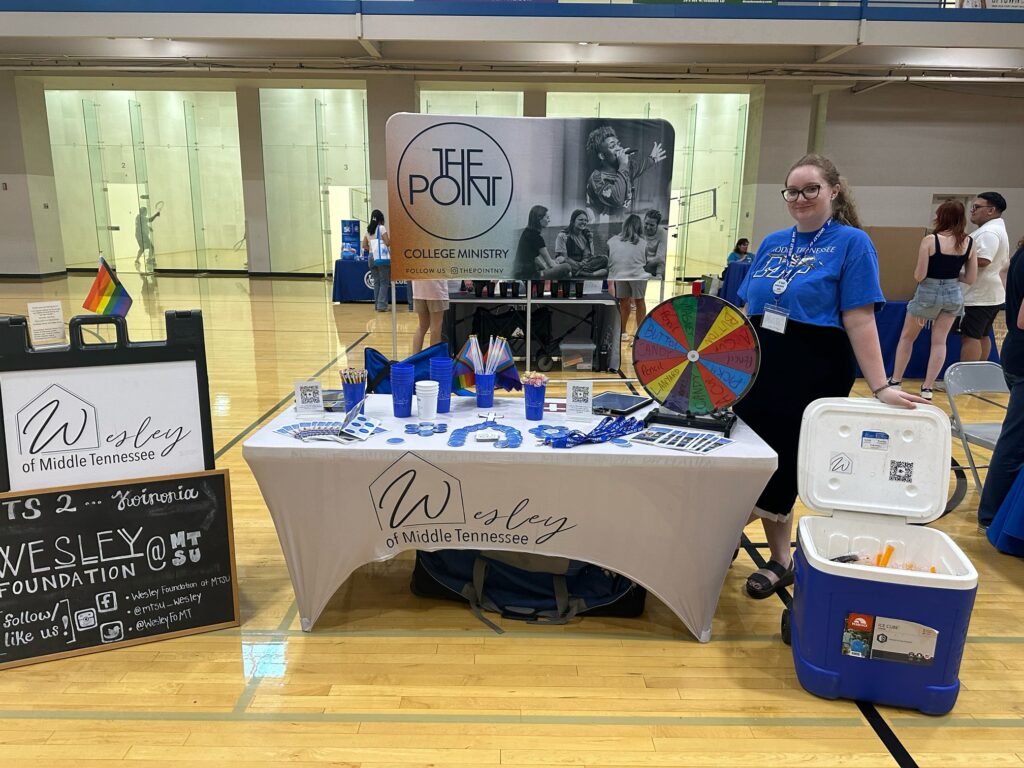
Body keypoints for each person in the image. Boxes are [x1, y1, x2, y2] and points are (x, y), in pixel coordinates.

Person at [734, 153, 925, 599]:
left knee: (782, 466)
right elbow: (747, 310)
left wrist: (882, 386)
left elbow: (859, 319)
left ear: (834, 191)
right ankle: (743, 542)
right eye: (792, 191)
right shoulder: (773, 242)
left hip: (812, 367)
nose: (799, 198)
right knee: (748, 457)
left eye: (810, 189)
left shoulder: (852, 243)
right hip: (759, 365)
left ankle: (778, 558)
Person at [889, 201, 978, 400]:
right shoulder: (969, 242)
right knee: (939, 342)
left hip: (928, 293)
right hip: (953, 293)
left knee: (907, 337)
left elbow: (920, 275)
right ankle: (928, 388)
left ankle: (895, 381)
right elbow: (971, 278)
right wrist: (953, 278)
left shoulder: (931, 240)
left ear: (940, 216)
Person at [978, 235, 1024, 531]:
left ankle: (999, 513)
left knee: (1015, 440)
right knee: (1015, 442)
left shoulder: (1020, 252)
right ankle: (993, 516)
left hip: (1015, 350)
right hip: (1021, 354)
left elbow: (1004, 271)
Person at [960, 192, 1010, 362]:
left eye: (976, 207)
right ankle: (976, 376)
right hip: (989, 294)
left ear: (991, 210)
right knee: (981, 335)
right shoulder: (992, 229)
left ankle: (966, 380)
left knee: (971, 337)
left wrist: (953, 260)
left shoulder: (989, 232)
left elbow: (983, 260)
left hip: (979, 295)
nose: (972, 210)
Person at [585, 126, 666, 220]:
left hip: (622, 228)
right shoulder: (596, 178)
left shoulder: (625, 168)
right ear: (602, 155)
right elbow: (617, 199)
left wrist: (652, 159)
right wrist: (623, 164)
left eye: (618, 144)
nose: (619, 148)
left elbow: (638, 167)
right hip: (602, 230)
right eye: (612, 146)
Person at [607, 214, 650, 341]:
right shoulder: (643, 243)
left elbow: (609, 256)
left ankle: (622, 332)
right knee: (640, 301)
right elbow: (646, 261)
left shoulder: (613, 240)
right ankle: (640, 334)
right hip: (638, 275)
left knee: (623, 302)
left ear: (624, 225)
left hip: (619, 274)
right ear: (640, 227)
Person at [513, 206, 572, 281]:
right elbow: (550, 263)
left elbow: (536, 258)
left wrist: (550, 266)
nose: (549, 220)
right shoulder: (537, 238)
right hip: (530, 276)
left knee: (566, 270)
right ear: (539, 219)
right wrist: (558, 263)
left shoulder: (526, 232)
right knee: (567, 267)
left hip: (520, 274)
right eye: (547, 218)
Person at [554, 209, 609, 280]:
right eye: (581, 220)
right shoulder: (562, 235)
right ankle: (589, 274)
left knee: (604, 258)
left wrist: (590, 241)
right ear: (573, 221)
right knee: (562, 260)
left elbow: (590, 255)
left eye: (586, 220)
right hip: (569, 263)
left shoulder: (586, 235)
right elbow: (564, 257)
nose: (584, 222)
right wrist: (577, 264)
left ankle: (577, 272)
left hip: (583, 265)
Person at [363, 209, 391, 312]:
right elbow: (387, 243)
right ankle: (382, 306)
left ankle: (377, 305)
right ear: (381, 219)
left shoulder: (368, 230)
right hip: (381, 257)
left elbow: (364, 245)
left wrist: (372, 248)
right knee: (384, 282)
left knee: (377, 282)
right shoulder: (381, 228)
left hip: (371, 257)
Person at [411, 279, 450, 354]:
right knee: (435, 328)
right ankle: (433, 359)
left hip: (418, 291)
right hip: (436, 290)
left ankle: (414, 358)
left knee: (422, 326)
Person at [642, 209, 667, 279]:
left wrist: (659, 274)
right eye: (646, 223)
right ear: (643, 221)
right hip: (640, 264)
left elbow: (660, 257)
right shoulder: (639, 229)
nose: (648, 227)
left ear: (657, 225)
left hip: (655, 266)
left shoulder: (663, 233)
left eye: (652, 225)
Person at [135, 206, 160, 272]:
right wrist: (156, 214)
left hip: (138, 235)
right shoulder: (141, 217)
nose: (146, 213)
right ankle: (149, 259)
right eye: (145, 211)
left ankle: (137, 260)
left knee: (142, 248)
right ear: (143, 211)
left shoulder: (138, 217)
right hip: (143, 235)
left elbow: (142, 225)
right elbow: (150, 220)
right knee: (151, 247)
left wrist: (148, 227)